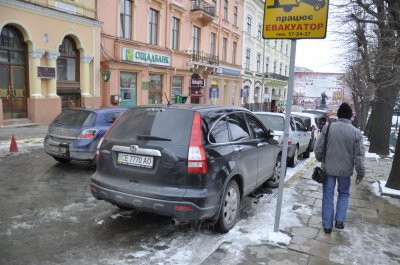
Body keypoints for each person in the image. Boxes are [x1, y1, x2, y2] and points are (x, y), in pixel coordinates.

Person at [314, 102, 365, 234]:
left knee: (328, 196)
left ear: (338, 115)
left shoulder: (328, 127)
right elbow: (359, 155)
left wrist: (320, 158)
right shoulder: (356, 132)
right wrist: (360, 173)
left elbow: (318, 147)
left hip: (329, 169)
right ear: (350, 117)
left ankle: (327, 225)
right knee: (343, 194)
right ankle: (340, 220)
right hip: (345, 171)